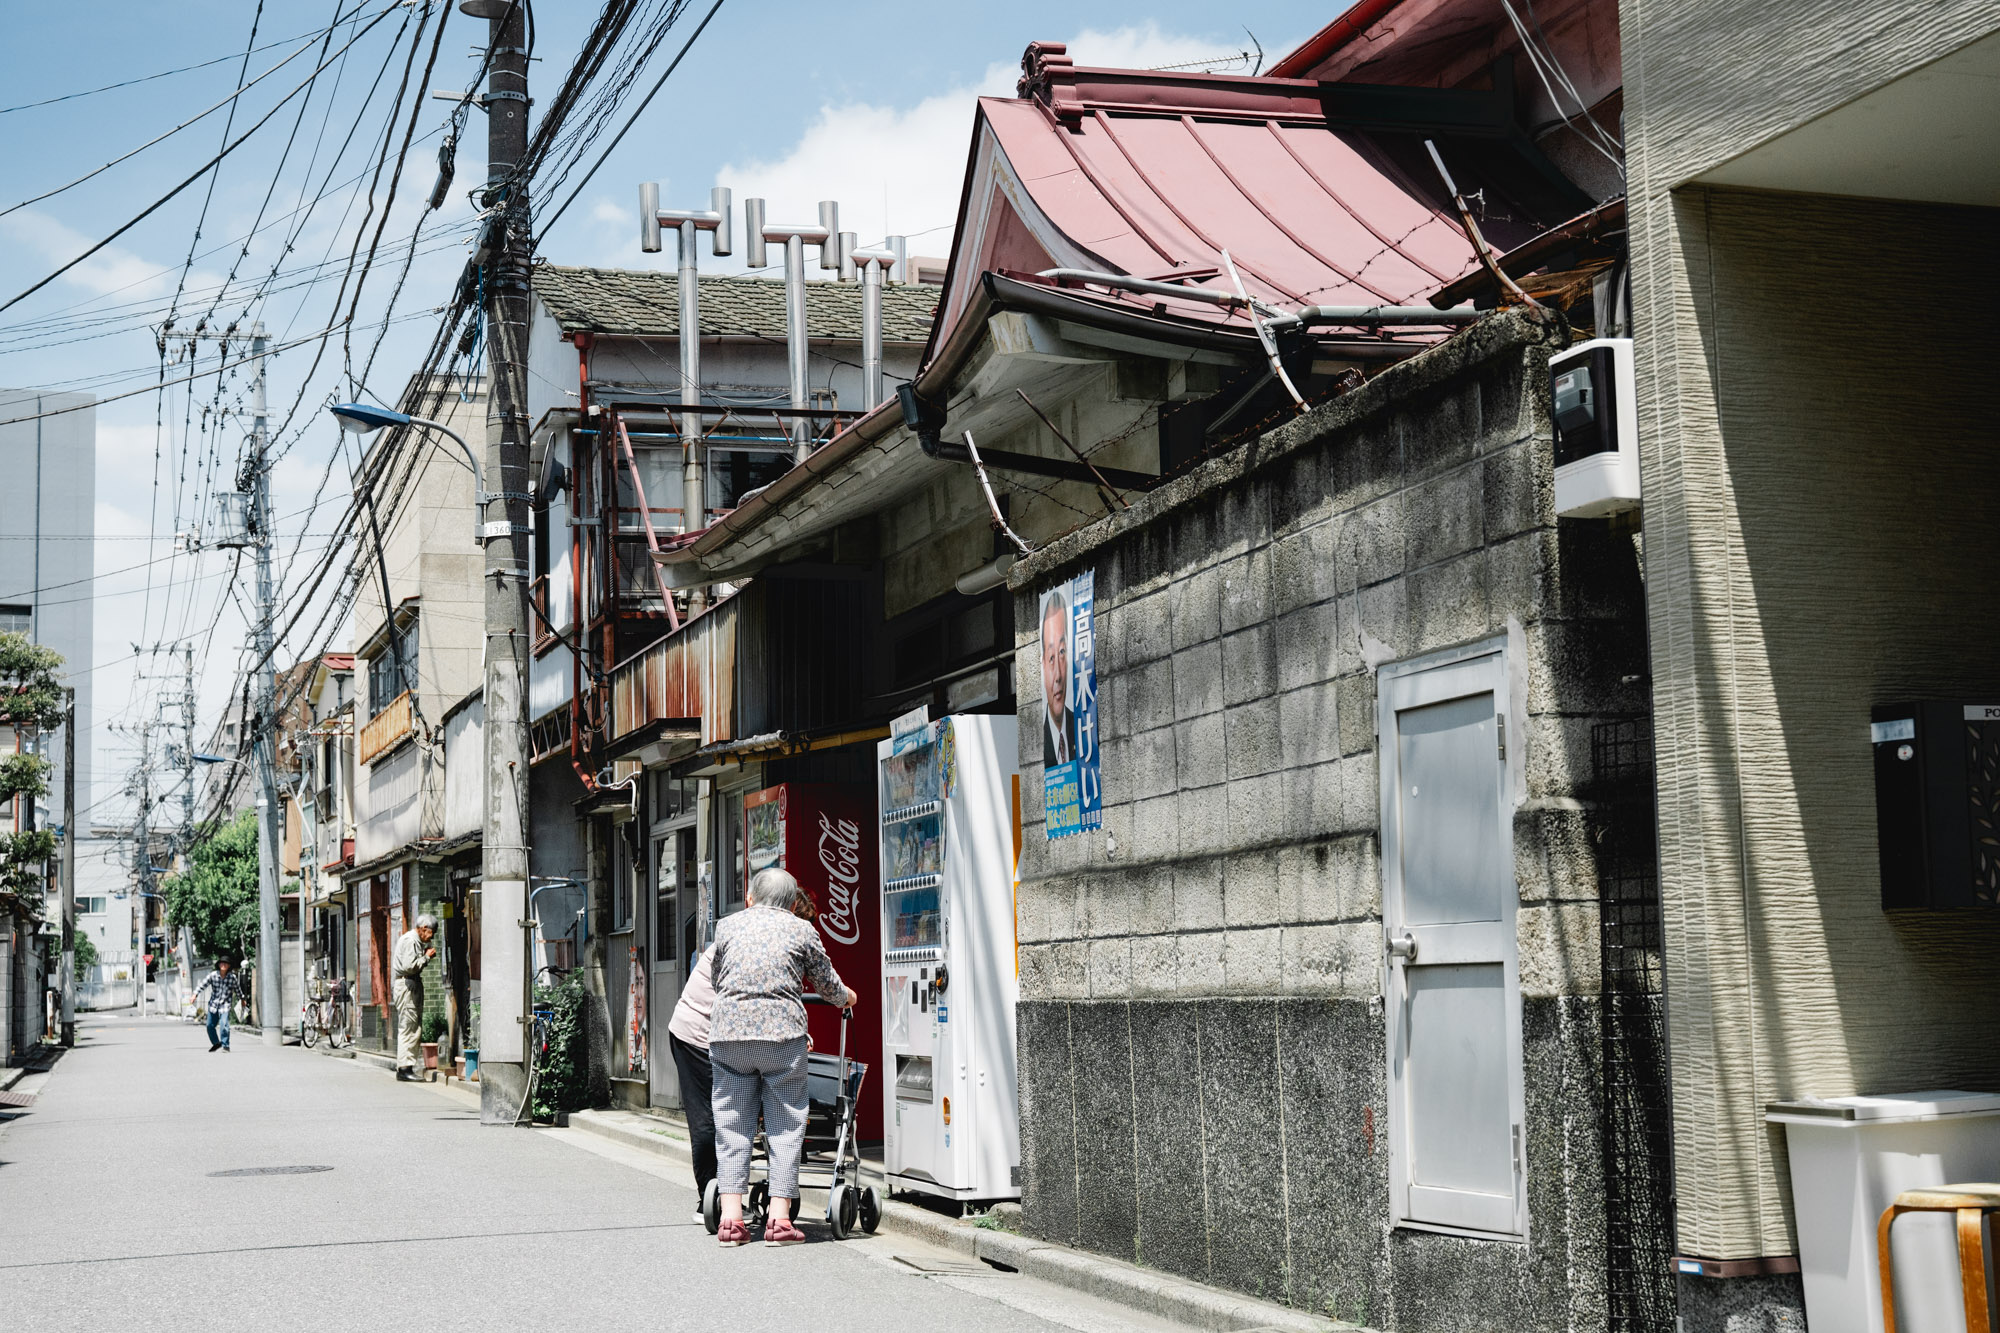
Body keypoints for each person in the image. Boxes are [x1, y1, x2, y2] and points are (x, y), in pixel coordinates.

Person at [708, 867, 857, 1247]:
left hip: (729, 1035)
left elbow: (717, 978)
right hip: (781, 1038)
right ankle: (778, 1220)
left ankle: (731, 1221)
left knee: (732, 1123)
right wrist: (847, 998)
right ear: (793, 903)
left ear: (750, 897)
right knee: (786, 1124)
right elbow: (827, 984)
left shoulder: (726, 927)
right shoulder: (801, 929)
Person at [666, 944, 718, 1222]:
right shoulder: (745, 942)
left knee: (718, 1118)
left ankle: (718, 1196)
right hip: (696, 1036)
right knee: (706, 1119)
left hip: (702, 1034)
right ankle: (709, 1200)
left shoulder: (742, 934)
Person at [391, 914, 437, 1082]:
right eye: (431, 932)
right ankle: (404, 1068)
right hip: (407, 985)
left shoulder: (412, 939)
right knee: (409, 1027)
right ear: (423, 928)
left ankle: (405, 1067)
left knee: (411, 1026)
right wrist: (426, 957)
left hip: (409, 985)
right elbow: (410, 967)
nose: (431, 937)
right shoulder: (411, 940)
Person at [1041, 590, 1074, 765]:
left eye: (1062, 652)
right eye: (1051, 658)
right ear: (1043, 664)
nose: (1058, 676)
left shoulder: (1082, 729)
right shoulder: (1038, 738)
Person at [192, 957, 240, 1053]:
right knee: (209, 1026)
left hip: (225, 1005)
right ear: (218, 965)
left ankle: (226, 1045)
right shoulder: (213, 975)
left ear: (229, 966)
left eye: (226, 963)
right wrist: (195, 994)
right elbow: (202, 985)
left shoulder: (232, 977)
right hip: (213, 1005)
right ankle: (216, 1043)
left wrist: (242, 999)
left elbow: (238, 989)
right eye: (222, 963)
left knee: (224, 1024)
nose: (223, 965)